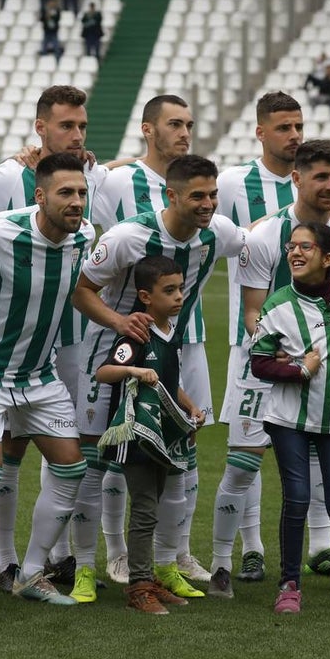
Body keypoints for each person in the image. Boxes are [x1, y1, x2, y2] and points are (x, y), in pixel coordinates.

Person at [73, 154, 247, 604]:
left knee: (177, 465)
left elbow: (258, 240)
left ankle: (164, 566)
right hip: (114, 358)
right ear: (171, 195)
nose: (208, 204)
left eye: (213, 195)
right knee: (96, 466)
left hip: (172, 362)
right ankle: (85, 569)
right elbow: (81, 289)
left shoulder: (216, 233)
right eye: (198, 196)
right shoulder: (129, 237)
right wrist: (120, 322)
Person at [0, 85, 107, 588]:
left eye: (82, 127)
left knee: (70, 450)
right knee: (7, 449)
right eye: (65, 126)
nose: (75, 136)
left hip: (74, 340)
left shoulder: (91, 174)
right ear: (40, 127)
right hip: (8, 345)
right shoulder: (5, 178)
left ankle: (60, 557)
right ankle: (5, 560)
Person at [0, 151, 94, 612]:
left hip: (39, 373)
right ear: (40, 195)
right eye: (66, 193)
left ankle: (31, 572)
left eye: (82, 193)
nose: (76, 202)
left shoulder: (84, 236)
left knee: (71, 466)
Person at [235, 140, 330, 597]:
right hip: (279, 364)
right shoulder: (265, 236)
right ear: (296, 178)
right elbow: (252, 313)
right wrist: (292, 357)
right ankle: (233, 561)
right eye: (321, 176)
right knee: (245, 465)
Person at [88, 95, 210, 590]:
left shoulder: (209, 212)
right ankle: (118, 554)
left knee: (186, 445)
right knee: (122, 450)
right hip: (125, 340)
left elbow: (250, 241)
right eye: (174, 124)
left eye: (189, 124)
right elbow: (85, 228)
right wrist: (120, 321)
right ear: (147, 129)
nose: (184, 132)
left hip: (187, 341)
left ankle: (176, 552)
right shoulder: (119, 182)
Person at [210, 91, 303, 592]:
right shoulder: (231, 183)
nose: (294, 136)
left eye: (298, 127)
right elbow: (199, 221)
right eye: (284, 127)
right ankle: (250, 550)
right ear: (261, 132)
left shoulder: (313, 183)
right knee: (248, 450)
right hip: (249, 340)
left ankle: (325, 544)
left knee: (311, 443)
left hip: (308, 344)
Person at [97, 256, 204, 615]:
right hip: (137, 435)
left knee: (152, 505)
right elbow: (105, 372)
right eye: (169, 291)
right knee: (144, 509)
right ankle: (138, 586)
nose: (178, 297)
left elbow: (170, 382)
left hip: (162, 435)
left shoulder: (172, 331)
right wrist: (133, 369)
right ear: (145, 296)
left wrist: (189, 406)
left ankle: (147, 578)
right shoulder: (137, 334)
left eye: (180, 289)